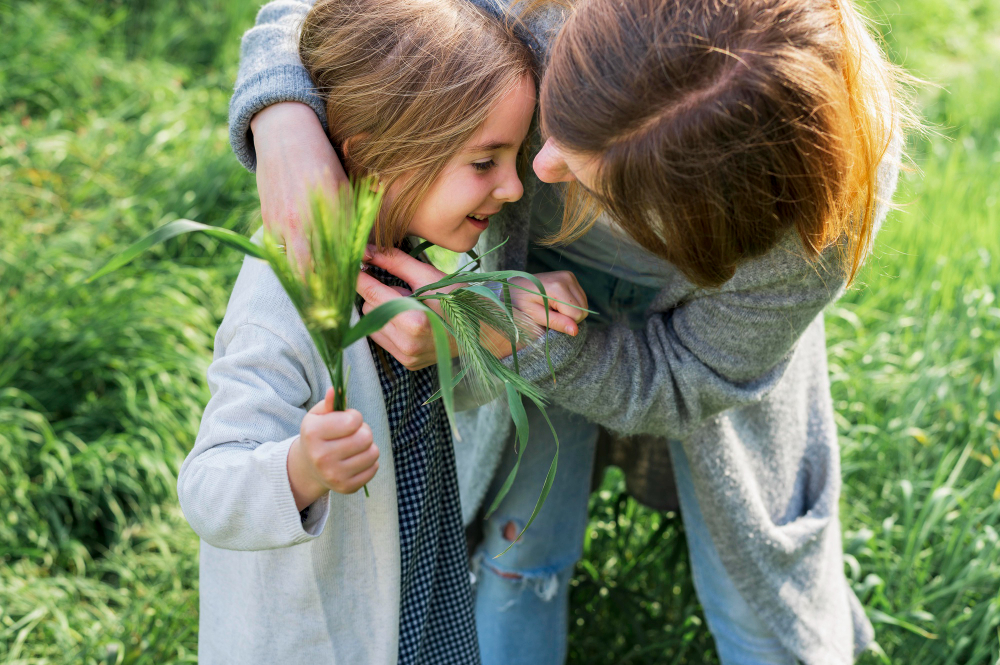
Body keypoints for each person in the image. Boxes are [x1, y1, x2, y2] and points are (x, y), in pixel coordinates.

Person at [228, 0, 912, 663]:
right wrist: (282, 109)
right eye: (559, 107)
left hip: (659, 336)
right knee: (516, 537)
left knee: (757, 593)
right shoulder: (539, 9)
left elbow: (690, 378)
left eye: (601, 182)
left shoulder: (813, 223)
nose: (541, 169)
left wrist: (512, 336)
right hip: (531, 276)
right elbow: (343, 17)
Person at [175, 1, 589, 662]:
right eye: (485, 162)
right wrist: (301, 468)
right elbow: (206, 487)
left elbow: (427, 397)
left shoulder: (402, 255)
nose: (513, 187)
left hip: (417, 591)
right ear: (376, 159)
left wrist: (499, 321)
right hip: (328, 634)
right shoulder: (287, 301)